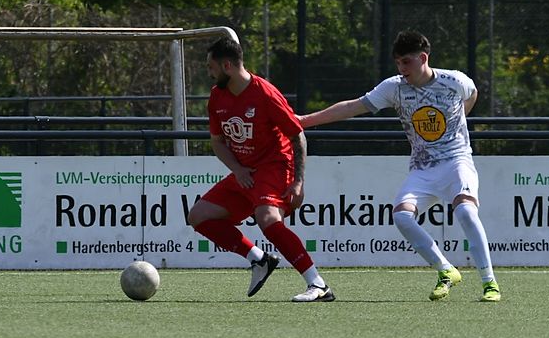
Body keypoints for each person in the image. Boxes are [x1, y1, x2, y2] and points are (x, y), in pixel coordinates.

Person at [298, 30, 500, 302]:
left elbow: (472, 93)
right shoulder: (394, 87)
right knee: (402, 216)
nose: (401, 68)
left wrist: (460, 117)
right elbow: (352, 107)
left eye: (406, 62)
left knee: (465, 211)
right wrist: (304, 121)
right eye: (398, 63)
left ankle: (489, 283)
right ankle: (446, 270)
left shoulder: (454, 81)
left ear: (423, 58)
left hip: (457, 162)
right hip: (422, 169)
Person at [187, 36, 335, 302]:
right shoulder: (217, 96)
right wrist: (237, 169)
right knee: (198, 215)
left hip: (275, 166)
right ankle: (259, 259)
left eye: (211, 67)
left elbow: (297, 136)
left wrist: (298, 182)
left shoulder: (265, 94)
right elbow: (218, 142)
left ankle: (318, 284)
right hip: (245, 171)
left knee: (267, 218)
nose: (209, 73)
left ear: (227, 66)